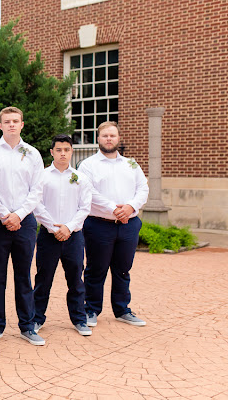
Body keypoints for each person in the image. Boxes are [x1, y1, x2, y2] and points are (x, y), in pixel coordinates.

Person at [79, 121, 149, 328]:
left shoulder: (131, 164)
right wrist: (114, 208)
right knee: (95, 269)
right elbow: (88, 192)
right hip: (99, 225)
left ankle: (122, 309)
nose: (109, 139)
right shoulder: (88, 165)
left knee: (123, 269)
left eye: (113, 136)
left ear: (118, 138)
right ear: (98, 139)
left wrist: (130, 207)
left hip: (128, 225)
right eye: (105, 136)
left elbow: (143, 189)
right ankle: (91, 309)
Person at [0, 106, 45, 346]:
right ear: (0, 125)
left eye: (16, 121)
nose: (11, 124)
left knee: (23, 276)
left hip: (25, 222)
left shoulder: (33, 154)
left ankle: (27, 326)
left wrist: (18, 215)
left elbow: (37, 190)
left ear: (22, 124)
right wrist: (4, 215)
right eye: (7, 121)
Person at [32, 134, 92, 336]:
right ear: (52, 152)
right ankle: (36, 318)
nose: (63, 153)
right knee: (43, 278)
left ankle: (79, 319)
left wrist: (68, 227)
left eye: (66, 149)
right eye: (58, 150)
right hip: (49, 236)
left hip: (73, 236)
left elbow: (85, 208)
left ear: (71, 151)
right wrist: (53, 227)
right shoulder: (41, 176)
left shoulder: (81, 178)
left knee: (76, 279)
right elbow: (37, 204)